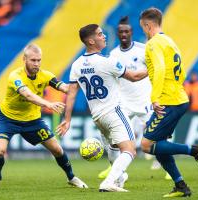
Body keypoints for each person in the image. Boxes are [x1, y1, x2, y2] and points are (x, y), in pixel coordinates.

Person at [56, 24, 148, 192]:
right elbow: (134, 77)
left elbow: (71, 94)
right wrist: (153, 68)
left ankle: (119, 179)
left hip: (97, 117)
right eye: (99, 34)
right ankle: (109, 181)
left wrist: (67, 119)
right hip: (114, 111)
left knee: (113, 147)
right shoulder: (108, 61)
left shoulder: (77, 65)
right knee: (130, 149)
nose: (104, 36)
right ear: (91, 41)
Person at [0, 44, 88, 191]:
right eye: (33, 60)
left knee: (57, 150)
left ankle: (71, 177)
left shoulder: (45, 75)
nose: (37, 64)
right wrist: (48, 104)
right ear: (24, 59)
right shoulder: (15, 76)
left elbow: (65, 88)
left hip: (32, 120)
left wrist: (78, 81)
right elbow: (27, 95)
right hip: (8, 119)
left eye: (39, 60)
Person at [139, 7, 198, 197]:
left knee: (146, 145)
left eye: (143, 29)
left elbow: (161, 68)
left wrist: (155, 98)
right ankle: (180, 185)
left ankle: (195, 150)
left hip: (168, 101)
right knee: (158, 143)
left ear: (147, 25)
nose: (144, 32)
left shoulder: (153, 43)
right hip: (177, 97)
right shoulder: (169, 41)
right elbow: (183, 72)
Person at [97, 16, 160, 180]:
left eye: (126, 31)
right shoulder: (113, 54)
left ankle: (162, 163)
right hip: (124, 102)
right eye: (121, 32)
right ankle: (115, 170)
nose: (124, 34)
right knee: (115, 137)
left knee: (158, 133)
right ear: (118, 34)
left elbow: (156, 68)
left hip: (145, 100)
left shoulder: (143, 49)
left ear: (131, 32)